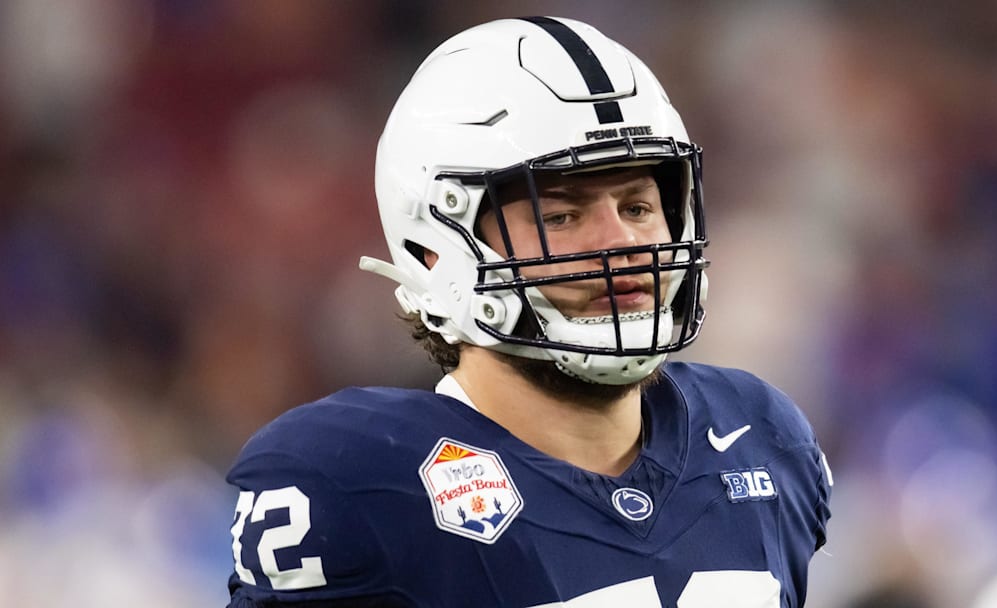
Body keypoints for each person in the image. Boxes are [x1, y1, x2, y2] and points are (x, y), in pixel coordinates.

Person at [226, 16, 832, 608]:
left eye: (639, 206)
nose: (622, 243)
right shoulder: (360, 481)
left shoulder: (762, 439)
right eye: (562, 216)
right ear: (437, 248)